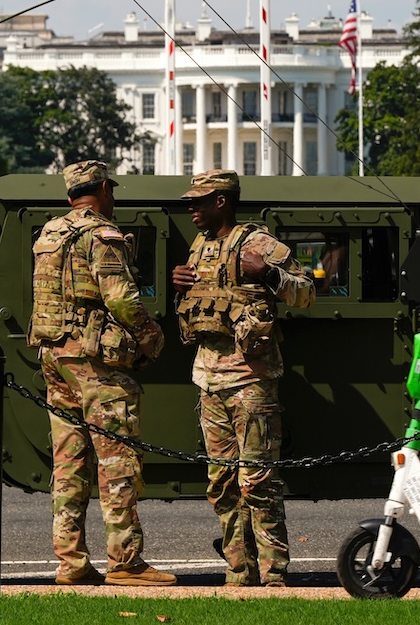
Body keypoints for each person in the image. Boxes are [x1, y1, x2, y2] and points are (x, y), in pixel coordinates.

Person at [27, 159, 175, 587]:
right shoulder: (101, 235)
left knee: (68, 462)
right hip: (96, 363)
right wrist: (150, 337)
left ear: (70, 195)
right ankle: (125, 562)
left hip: (54, 357)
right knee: (118, 461)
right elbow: (122, 298)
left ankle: (70, 562)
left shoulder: (49, 235)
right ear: (105, 189)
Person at [171, 170, 315, 587]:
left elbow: (305, 292)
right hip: (209, 380)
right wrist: (181, 288)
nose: (192, 210)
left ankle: (273, 576)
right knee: (221, 483)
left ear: (222, 201)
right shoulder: (200, 247)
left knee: (258, 481)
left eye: (199, 202)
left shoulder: (259, 244)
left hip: (251, 380)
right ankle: (238, 572)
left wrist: (268, 273)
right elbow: (199, 305)